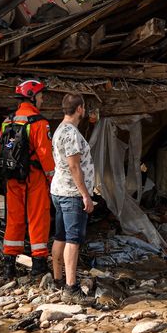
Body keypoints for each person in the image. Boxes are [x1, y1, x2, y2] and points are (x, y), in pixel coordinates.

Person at [0, 79, 55, 280]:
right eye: (40, 95)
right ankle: (38, 265)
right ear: (32, 97)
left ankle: (9, 266)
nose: (42, 99)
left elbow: (1, 150)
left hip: (12, 176)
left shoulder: (8, 121)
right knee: (37, 217)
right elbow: (45, 155)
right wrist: (52, 178)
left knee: (14, 218)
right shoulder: (39, 123)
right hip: (34, 176)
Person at [50, 93, 96, 302]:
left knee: (60, 236)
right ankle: (71, 288)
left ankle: (57, 280)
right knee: (73, 239)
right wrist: (85, 195)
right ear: (79, 109)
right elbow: (74, 166)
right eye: (83, 108)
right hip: (71, 194)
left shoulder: (60, 129)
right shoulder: (71, 133)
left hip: (59, 191)